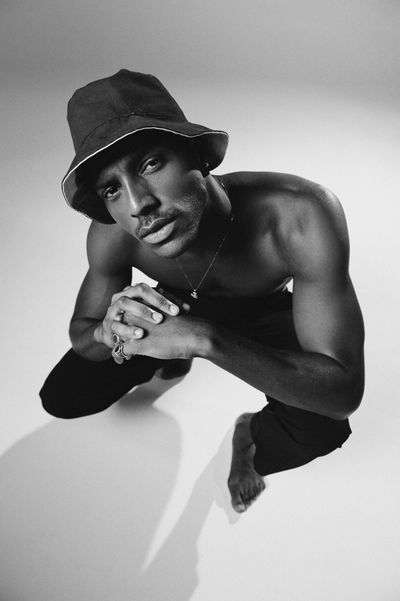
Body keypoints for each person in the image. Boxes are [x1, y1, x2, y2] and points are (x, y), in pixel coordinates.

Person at [40, 69, 365, 513]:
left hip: (263, 308)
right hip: (169, 305)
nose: (138, 206)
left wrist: (204, 340)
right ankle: (166, 359)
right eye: (112, 189)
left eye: (150, 164)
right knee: (63, 397)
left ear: (197, 153)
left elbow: (344, 392)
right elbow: (83, 330)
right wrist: (106, 332)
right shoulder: (112, 235)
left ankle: (249, 434)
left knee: (321, 428)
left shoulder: (299, 214)